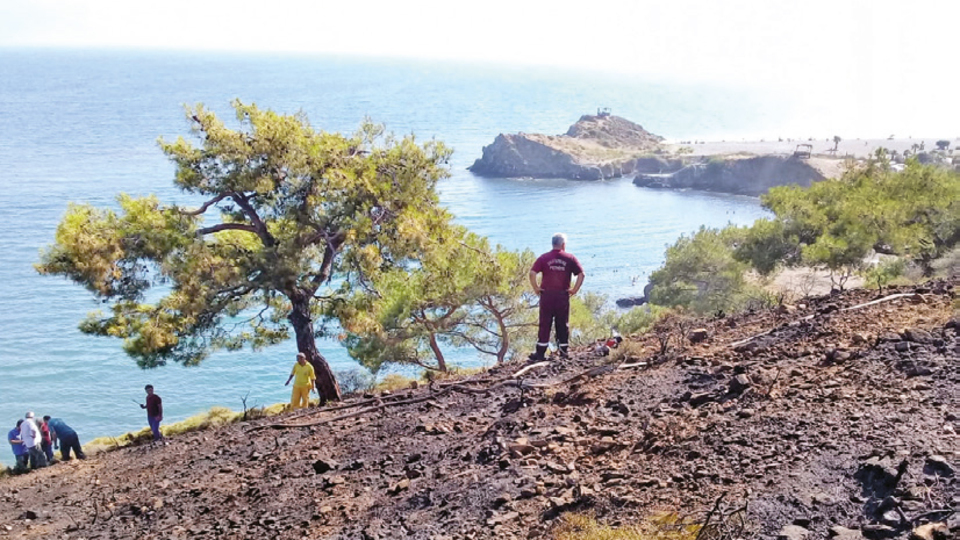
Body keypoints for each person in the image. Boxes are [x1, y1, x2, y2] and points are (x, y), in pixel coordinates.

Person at [528, 233, 585, 361]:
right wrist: (574, 290)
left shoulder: (544, 258)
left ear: (552, 244)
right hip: (562, 296)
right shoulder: (570, 258)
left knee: (545, 323)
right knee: (562, 323)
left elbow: (532, 273)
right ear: (563, 245)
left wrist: (536, 288)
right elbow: (581, 274)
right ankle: (563, 351)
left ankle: (540, 353)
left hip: (547, 295)